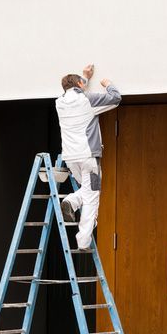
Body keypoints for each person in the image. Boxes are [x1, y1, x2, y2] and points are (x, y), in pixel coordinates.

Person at [55, 64, 121, 250]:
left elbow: (76, 89)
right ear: (78, 84)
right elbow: (115, 99)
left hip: (71, 158)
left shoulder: (59, 103)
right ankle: (83, 241)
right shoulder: (87, 100)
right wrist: (108, 84)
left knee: (86, 190)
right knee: (92, 196)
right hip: (88, 158)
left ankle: (71, 201)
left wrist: (84, 76)